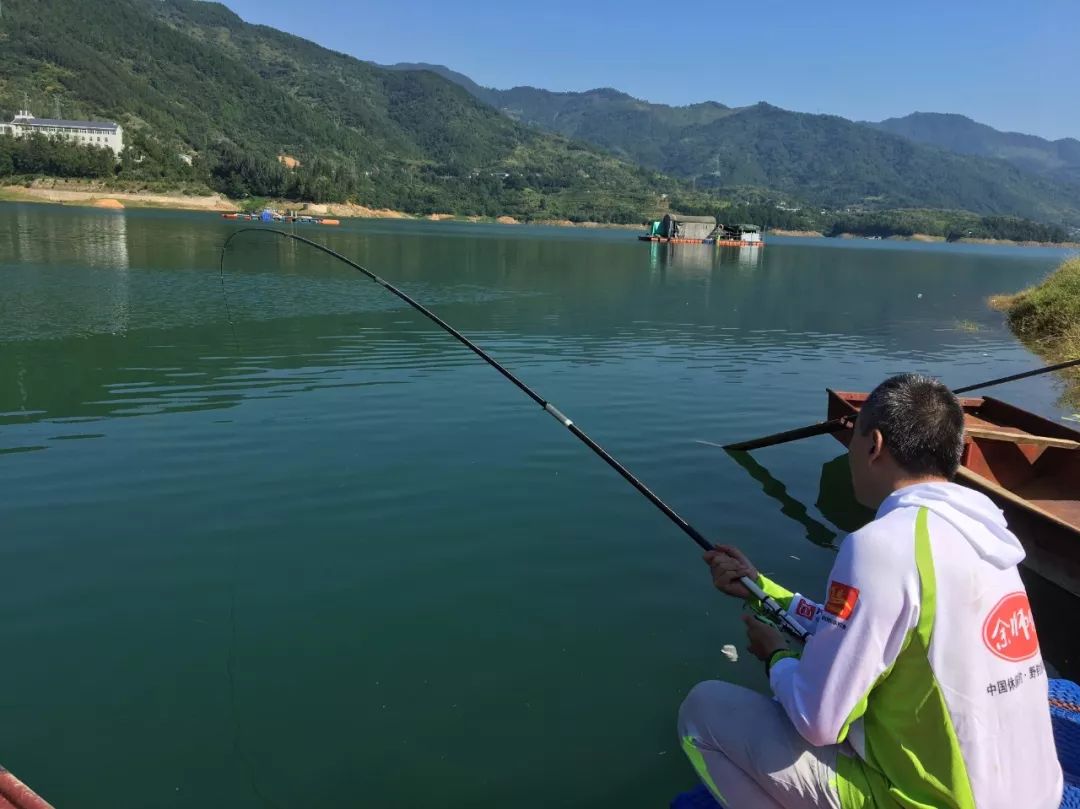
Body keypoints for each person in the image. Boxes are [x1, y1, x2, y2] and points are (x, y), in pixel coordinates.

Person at [678, 374, 1063, 809]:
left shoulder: (881, 545)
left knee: (703, 711)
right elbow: (854, 630)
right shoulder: (988, 536)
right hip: (1033, 798)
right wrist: (757, 588)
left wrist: (776, 658)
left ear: (873, 445)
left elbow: (818, 719)